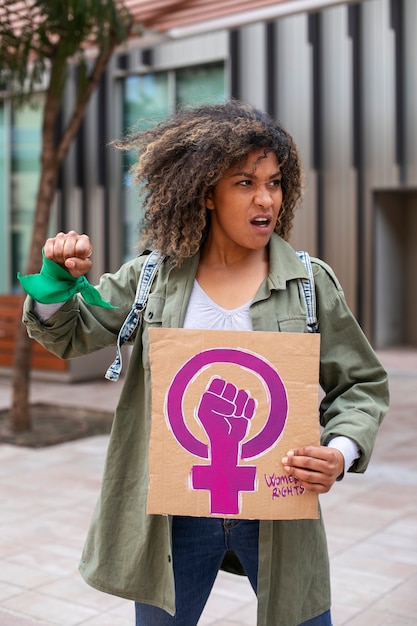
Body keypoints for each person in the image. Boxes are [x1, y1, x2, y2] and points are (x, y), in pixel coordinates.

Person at [20, 100, 389, 626]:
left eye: (275, 182)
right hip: (175, 517)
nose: (266, 199)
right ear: (206, 192)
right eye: (244, 182)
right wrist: (57, 280)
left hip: (278, 511)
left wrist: (341, 450)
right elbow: (72, 335)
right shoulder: (152, 278)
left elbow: (362, 384)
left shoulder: (310, 283)